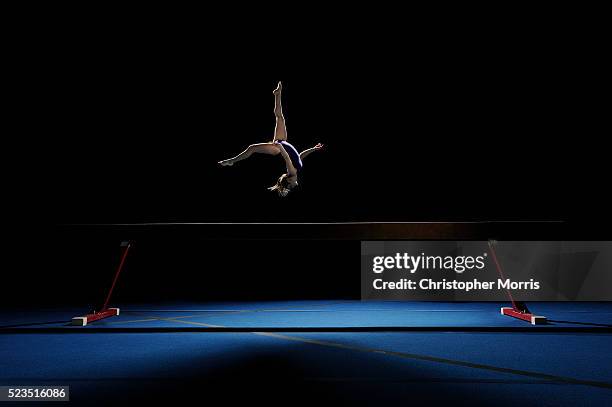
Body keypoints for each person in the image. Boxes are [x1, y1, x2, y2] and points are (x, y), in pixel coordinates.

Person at [218, 81, 324, 197]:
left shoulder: (291, 172)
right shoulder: (297, 170)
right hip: (282, 141)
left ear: (289, 180)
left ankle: (231, 161)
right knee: (280, 117)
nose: (295, 184)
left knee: (252, 148)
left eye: (292, 185)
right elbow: (300, 155)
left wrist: (280, 147)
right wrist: (313, 149)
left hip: (278, 148)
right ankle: (278, 94)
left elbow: (287, 157)